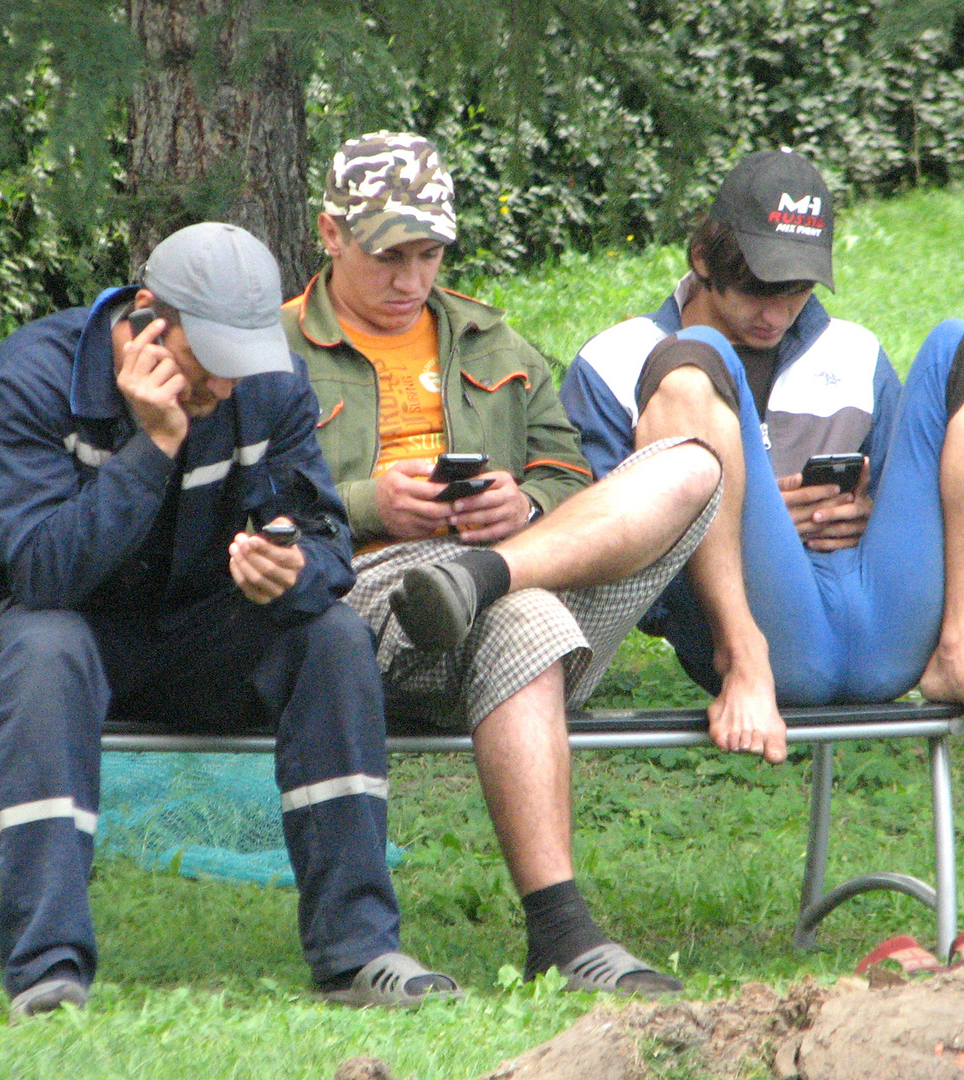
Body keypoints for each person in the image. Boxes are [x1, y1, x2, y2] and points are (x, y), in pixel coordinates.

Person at [0, 222, 458, 1019]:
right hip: (55, 632)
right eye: (211, 359)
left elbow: (325, 538)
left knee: (332, 636)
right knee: (45, 645)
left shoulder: (269, 383)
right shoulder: (32, 375)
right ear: (145, 317)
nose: (228, 387)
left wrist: (296, 569)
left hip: (198, 638)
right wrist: (155, 446)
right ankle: (48, 970)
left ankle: (359, 951)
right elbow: (42, 575)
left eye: (242, 362)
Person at [282, 131, 723, 996]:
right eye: (390, 256)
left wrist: (521, 508)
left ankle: (489, 572)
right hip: (369, 608)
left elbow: (570, 476)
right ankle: (562, 932)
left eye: (430, 253)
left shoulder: (492, 343)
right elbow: (242, 509)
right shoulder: (276, 352)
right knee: (520, 613)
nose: (413, 280)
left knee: (695, 465)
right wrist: (372, 504)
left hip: (525, 579)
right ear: (330, 234)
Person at [560, 148, 964, 764]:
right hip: (763, 637)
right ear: (702, 259)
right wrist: (754, 523)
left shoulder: (854, 352)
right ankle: (741, 661)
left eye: (795, 291)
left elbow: (918, 498)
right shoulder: (618, 360)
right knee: (693, 361)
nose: (775, 314)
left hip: (887, 618)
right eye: (757, 289)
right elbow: (594, 546)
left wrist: (869, 510)